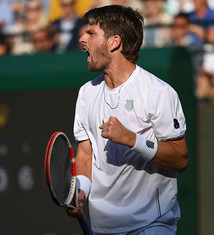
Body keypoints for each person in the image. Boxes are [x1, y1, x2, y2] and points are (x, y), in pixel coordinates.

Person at [67, 5, 189, 234]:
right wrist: (81, 190)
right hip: (105, 226)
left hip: (153, 223)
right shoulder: (86, 93)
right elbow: (85, 153)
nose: (82, 39)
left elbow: (180, 158)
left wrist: (133, 139)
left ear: (114, 42)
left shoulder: (158, 92)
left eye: (91, 34)